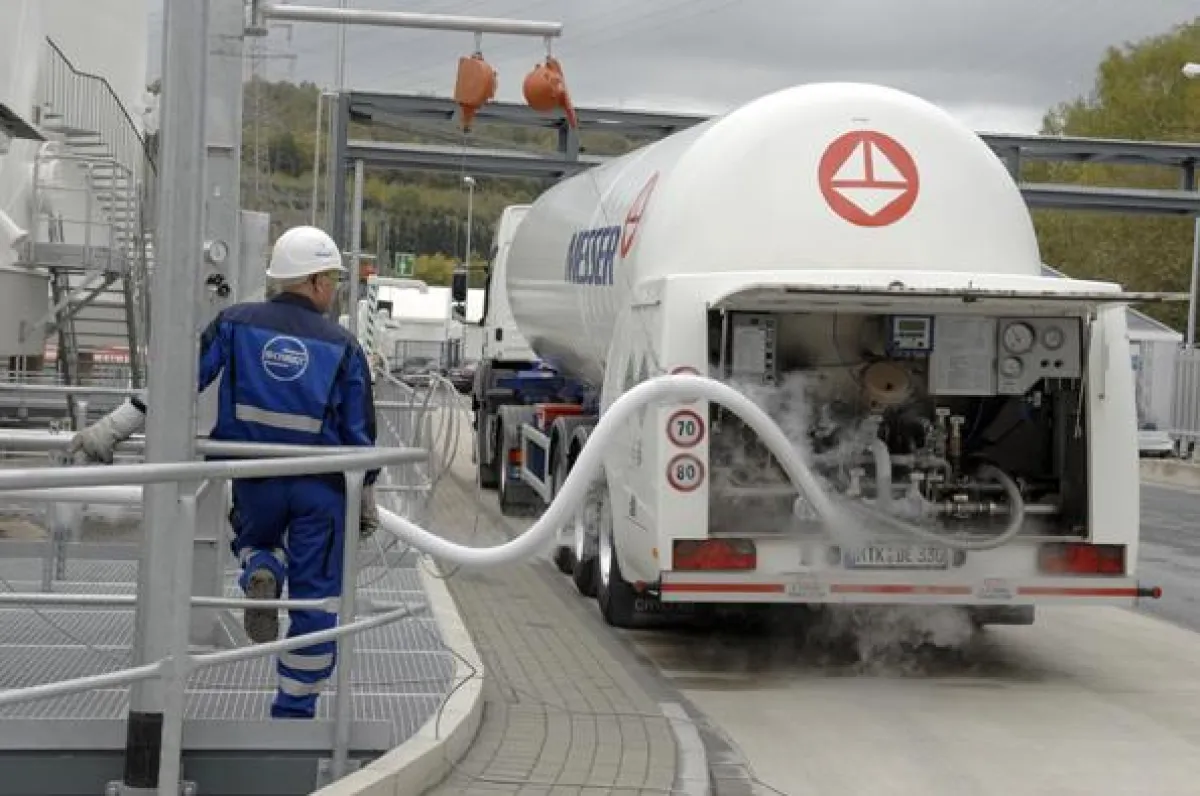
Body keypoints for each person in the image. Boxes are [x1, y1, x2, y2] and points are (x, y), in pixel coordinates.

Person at [69, 225, 381, 720]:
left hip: (253, 476)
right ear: (319, 280)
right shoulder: (343, 346)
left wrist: (113, 427)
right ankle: (293, 712)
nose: (335, 290)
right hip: (322, 487)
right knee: (317, 603)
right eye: (334, 281)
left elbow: (179, 380)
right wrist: (365, 496)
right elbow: (360, 431)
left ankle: (262, 566)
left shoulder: (235, 322)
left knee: (253, 538)